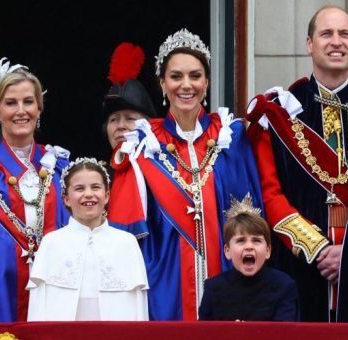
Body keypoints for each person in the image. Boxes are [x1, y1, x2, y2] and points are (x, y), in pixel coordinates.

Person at [245, 6, 348, 322]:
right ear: (309, 43)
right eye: (326, 34)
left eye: (344, 34)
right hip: (300, 269)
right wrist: (318, 250)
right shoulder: (281, 111)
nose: (336, 42)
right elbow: (270, 195)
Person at [107, 28, 264, 321]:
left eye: (195, 75)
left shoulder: (232, 136)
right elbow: (124, 239)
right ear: (162, 83)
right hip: (164, 288)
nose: (186, 85)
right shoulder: (142, 145)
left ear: (207, 81)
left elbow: (253, 222)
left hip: (229, 282)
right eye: (176, 76)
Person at [0, 58, 70, 322]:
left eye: (28, 101)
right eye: (10, 103)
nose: (21, 110)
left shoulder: (61, 167)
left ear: (39, 108)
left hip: (56, 287)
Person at [27, 158, 148, 321]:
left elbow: (139, 308)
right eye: (79, 188)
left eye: (95, 187)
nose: (88, 194)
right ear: (66, 199)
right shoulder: (52, 243)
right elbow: (38, 307)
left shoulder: (127, 243)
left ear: (106, 196)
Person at [198, 194, 299, 321]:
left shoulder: (284, 286)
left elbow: (286, 333)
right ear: (227, 251)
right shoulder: (213, 288)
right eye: (241, 240)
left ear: (268, 251)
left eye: (256, 240)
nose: (249, 246)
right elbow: (203, 333)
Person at [102, 42, 157, 151]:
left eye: (131, 118)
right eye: (113, 120)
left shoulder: (167, 166)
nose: (120, 126)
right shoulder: (95, 168)